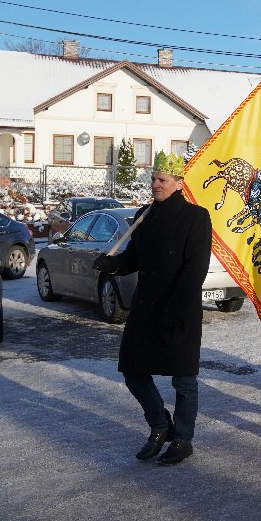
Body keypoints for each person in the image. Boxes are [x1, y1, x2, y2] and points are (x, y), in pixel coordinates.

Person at [94, 151, 212, 466]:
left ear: (178, 183)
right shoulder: (145, 215)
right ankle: (160, 426)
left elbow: (195, 270)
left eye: (161, 180)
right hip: (145, 309)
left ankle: (183, 439)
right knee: (133, 371)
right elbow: (133, 259)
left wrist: (175, 312)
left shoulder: (196, 218)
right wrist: (112, 265)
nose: (155, 185)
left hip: (179, 309)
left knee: (183, 379)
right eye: (153, 179)